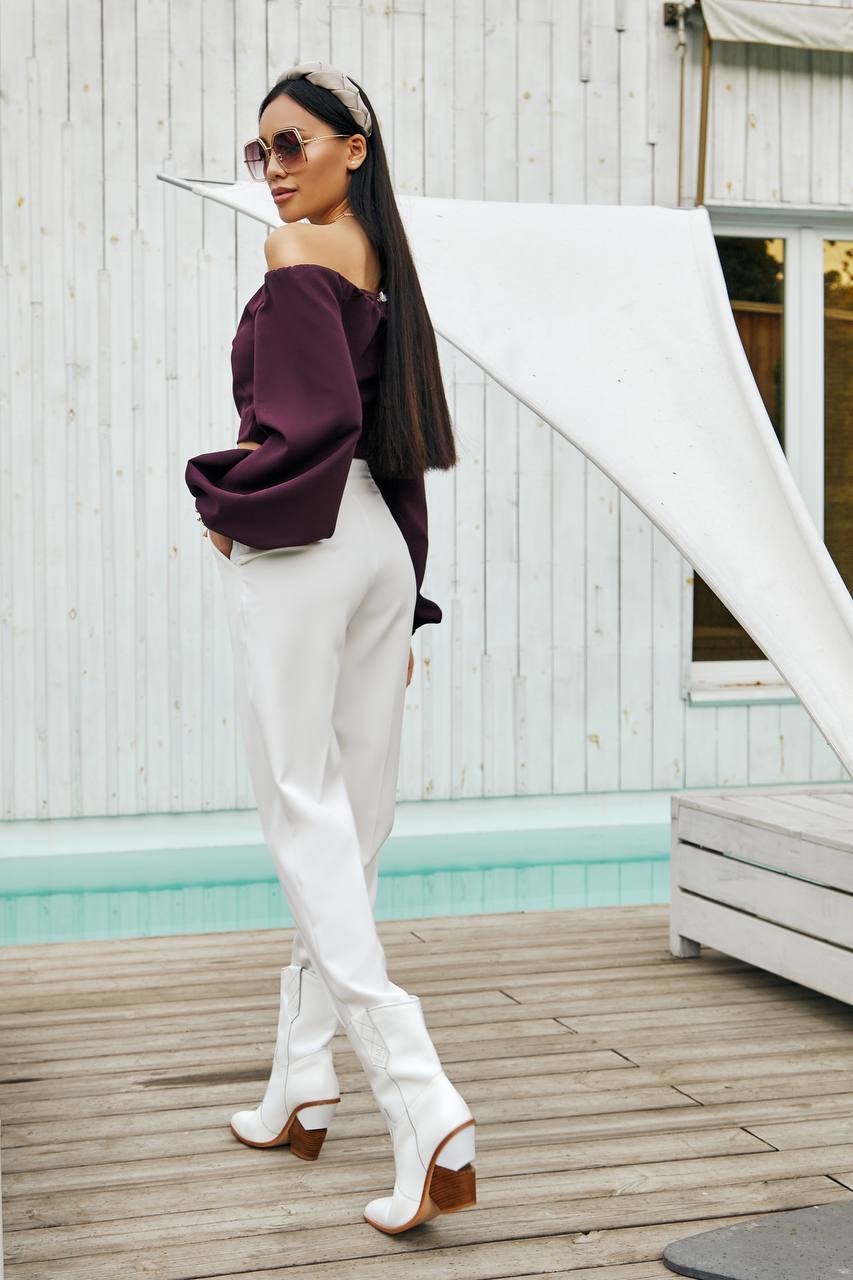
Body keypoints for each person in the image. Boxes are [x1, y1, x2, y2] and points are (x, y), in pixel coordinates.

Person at [184, 61, 476, 1235]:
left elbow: (307, 430)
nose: (276, 166)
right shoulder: (384, 271)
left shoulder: (296, 260)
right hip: (375, 545)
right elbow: (386, 444)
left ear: (357, 145)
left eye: (295, 141)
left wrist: (223, 500)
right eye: (263, 151)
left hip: (305, 543)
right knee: (352, 820)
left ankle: (419, 1088)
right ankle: (301, 1076)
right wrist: (401, 602)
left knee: (302, 809)